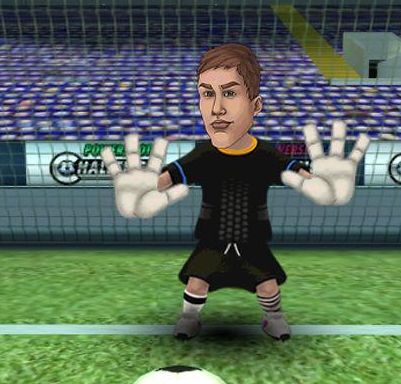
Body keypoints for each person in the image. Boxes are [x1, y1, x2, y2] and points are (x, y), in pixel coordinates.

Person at [103, 42, 367, 341]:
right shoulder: (203, 155)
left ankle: (273, 318)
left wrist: (329, 188)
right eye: (207, 94)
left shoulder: (266, 154)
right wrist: (140, 195)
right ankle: (189, 318)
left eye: (229, 93)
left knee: (267, 284)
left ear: (256, 105)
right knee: (196, 282)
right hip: (212, 239)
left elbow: (306, 179)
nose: (217, 108)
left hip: (252, 240)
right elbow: (163, 182)